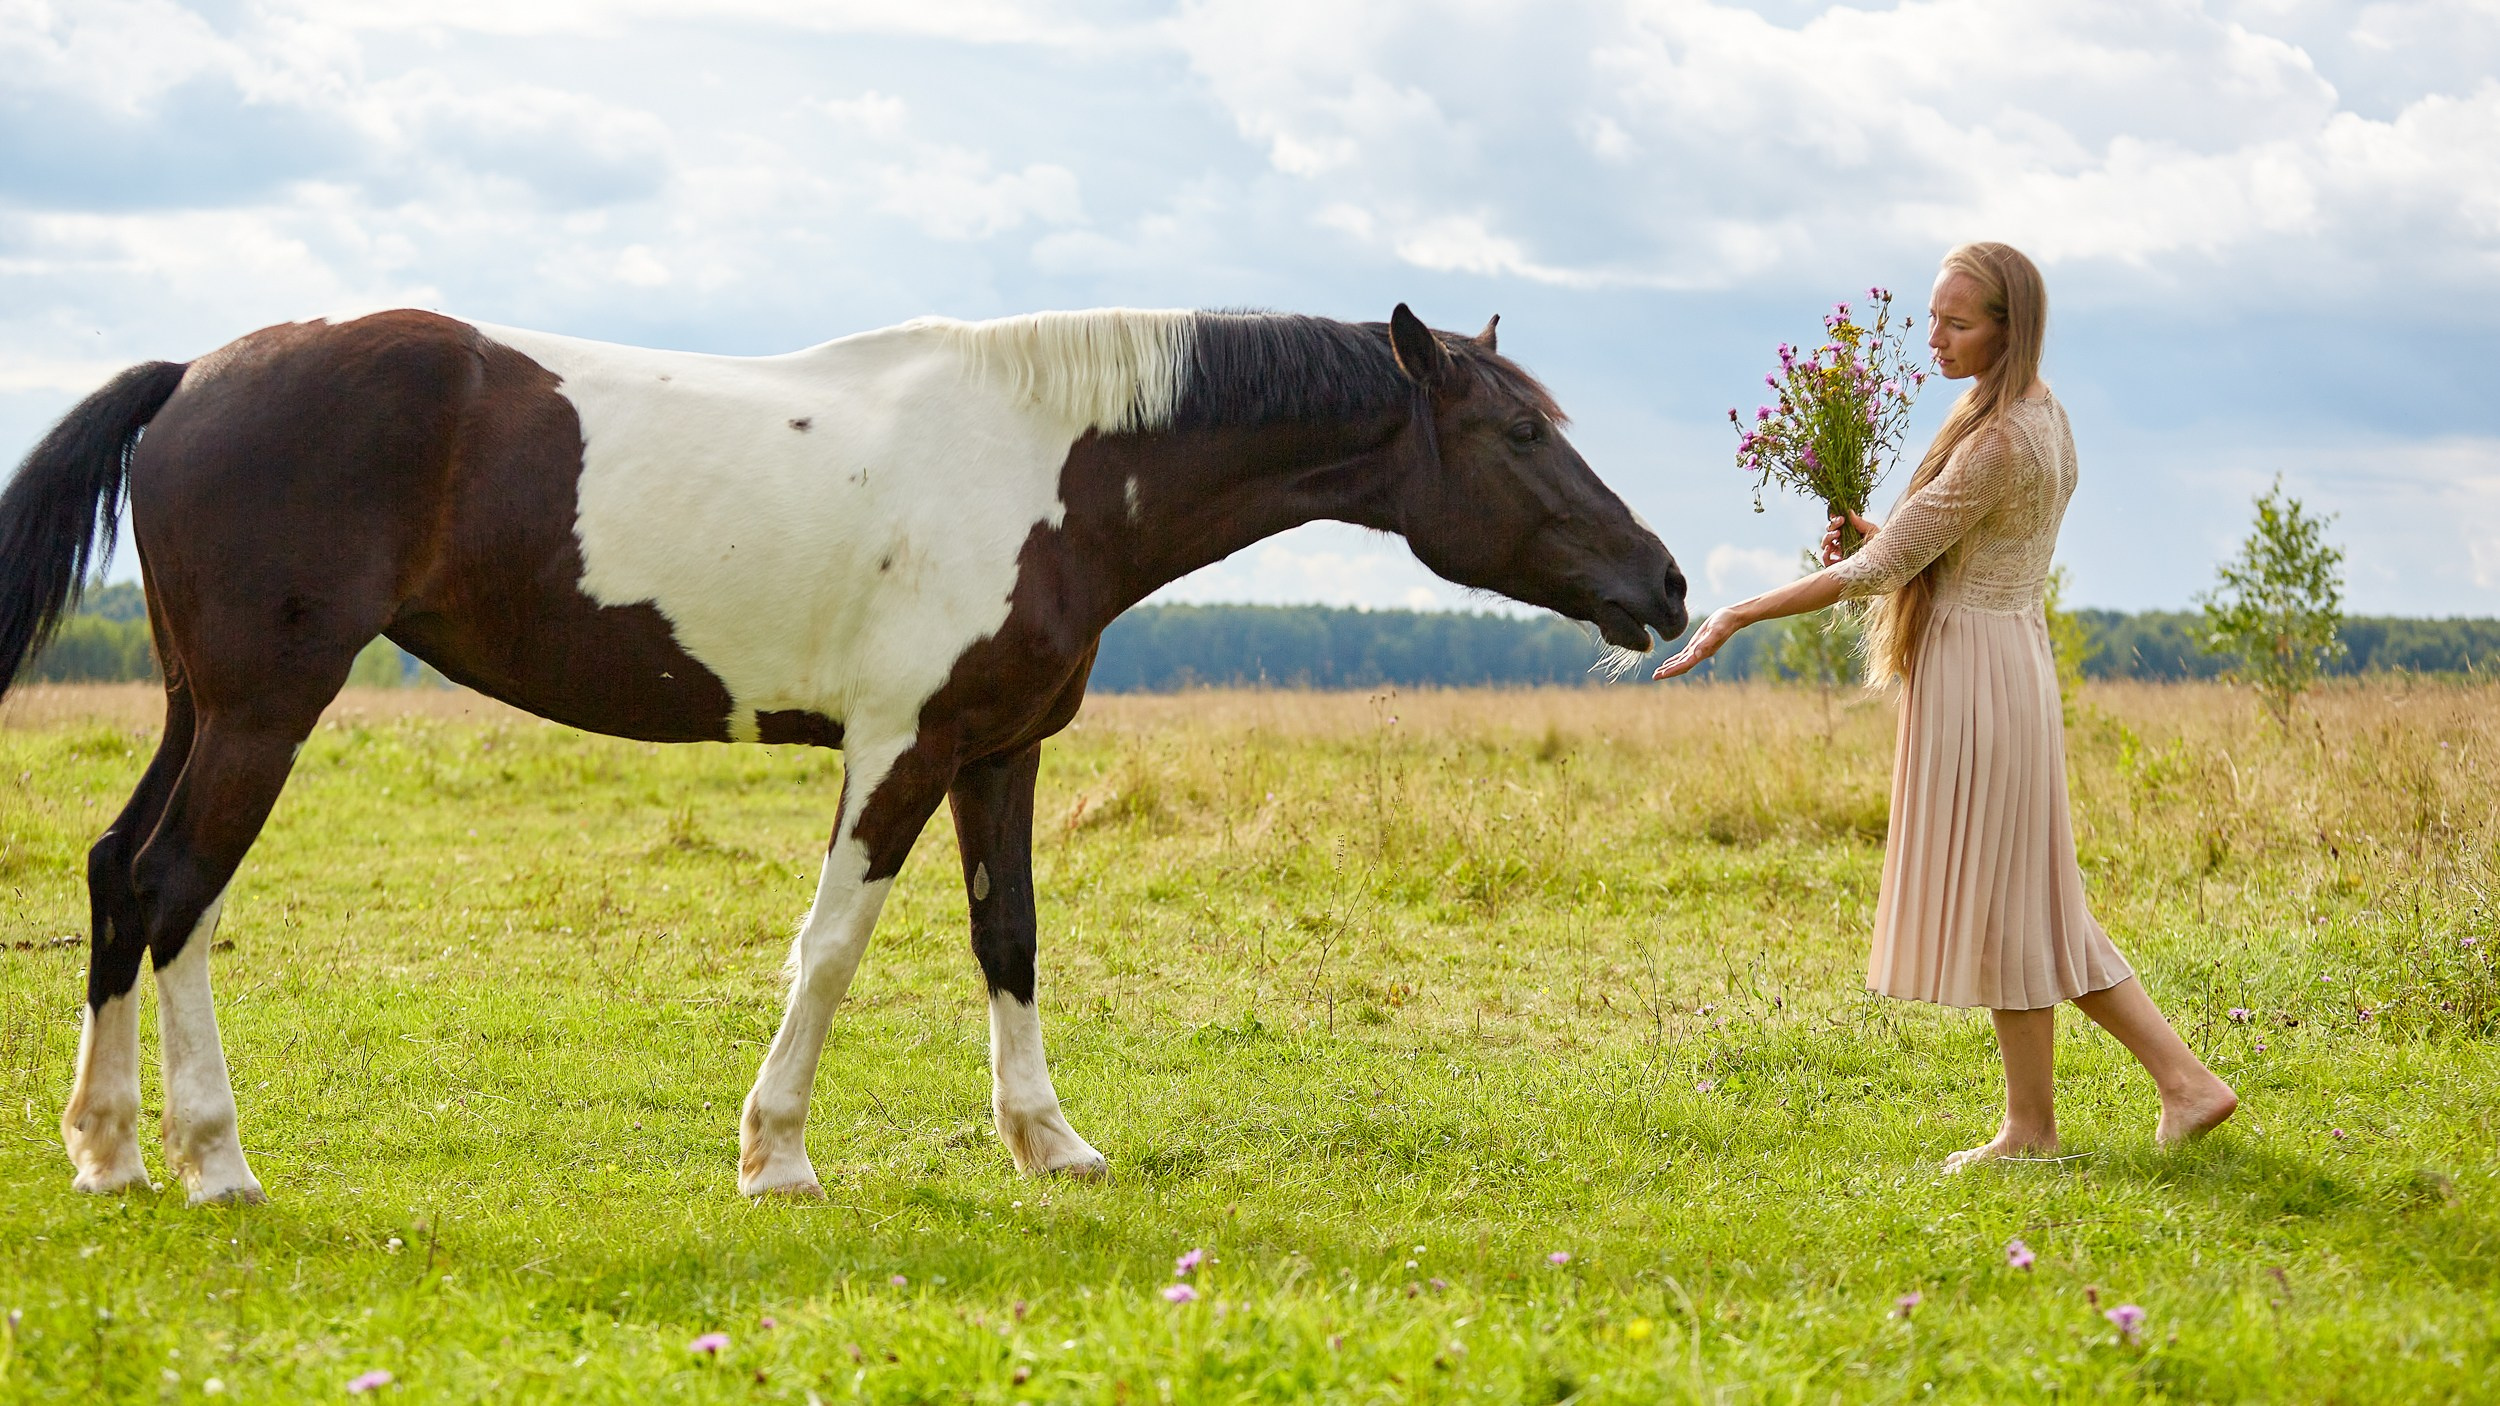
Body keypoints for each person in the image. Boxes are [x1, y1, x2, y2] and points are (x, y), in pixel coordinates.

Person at [1654, 242, 2237, 1171]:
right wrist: (1894, 531)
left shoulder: (2002, 437)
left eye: (1957, 323)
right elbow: (1963, 546)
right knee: (2027, 903)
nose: (1934, 338)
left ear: (2012, 329)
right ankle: (2059, 1120)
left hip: (1977, 670)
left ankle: (2159, 1089)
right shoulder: (2044, 416)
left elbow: (1882, 572)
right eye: (1931, 316)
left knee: (2025, 905)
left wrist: (1737, 611)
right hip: (2010, 658)